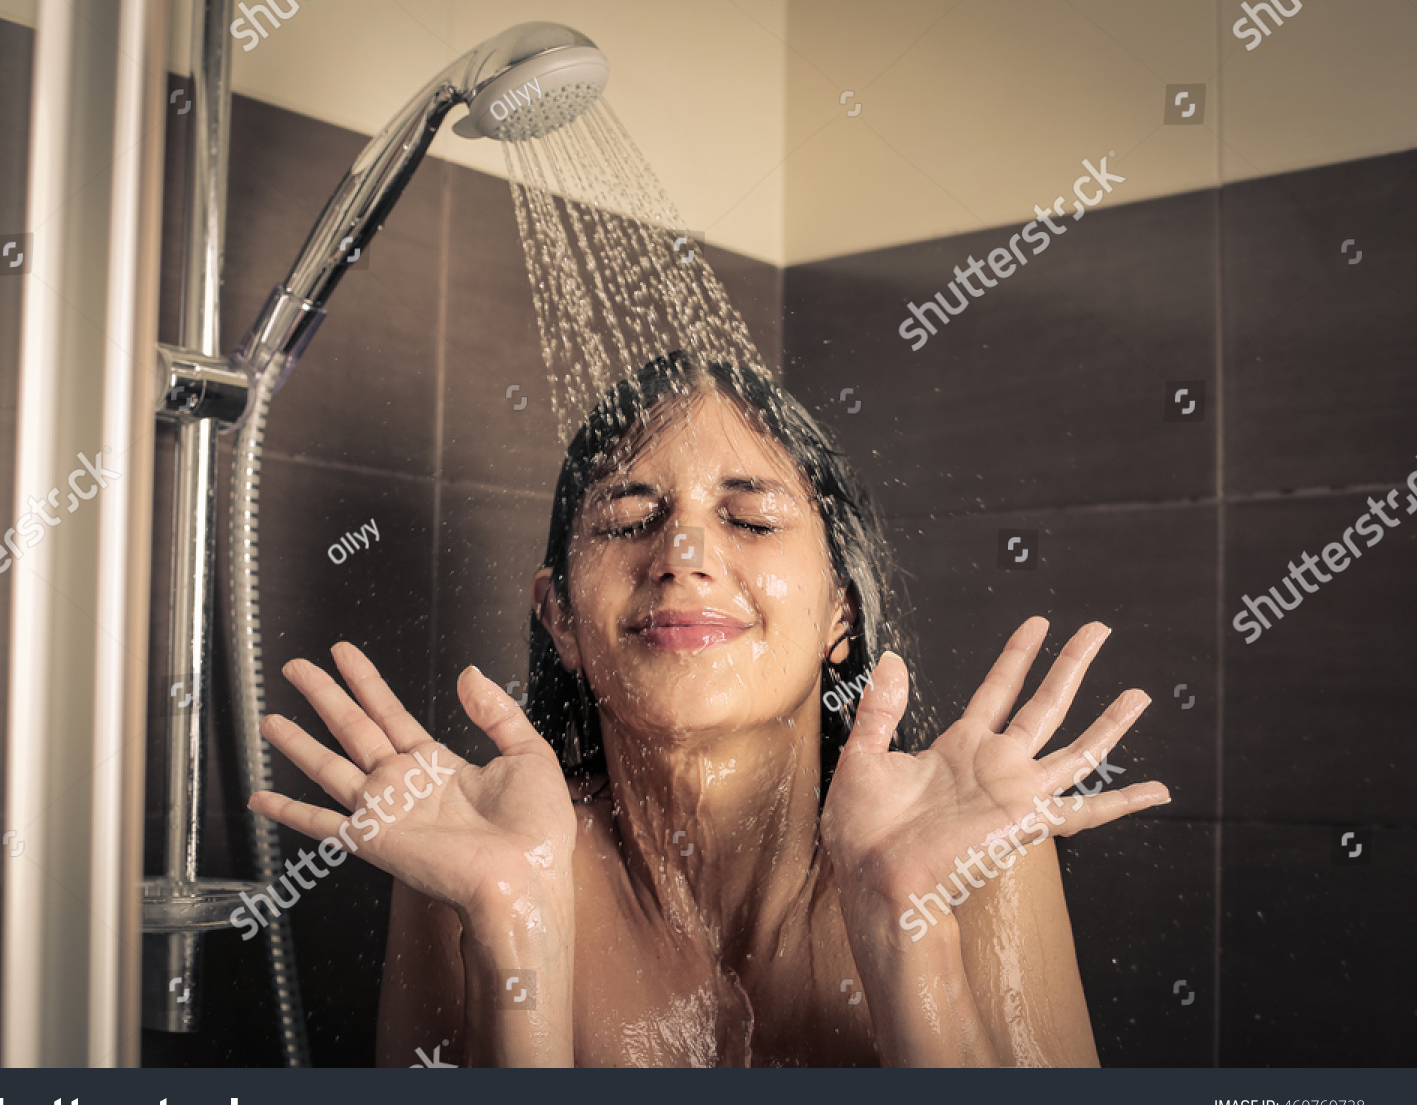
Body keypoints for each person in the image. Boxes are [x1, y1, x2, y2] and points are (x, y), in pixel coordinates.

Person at [248, 350, 1171, 1067]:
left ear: (839, 614)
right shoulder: (470, 865)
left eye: (753, 520)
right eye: (627, 520)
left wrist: (911, 932)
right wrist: (512, 926)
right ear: (561, 619)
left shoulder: (974, 858)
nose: (684, 551)